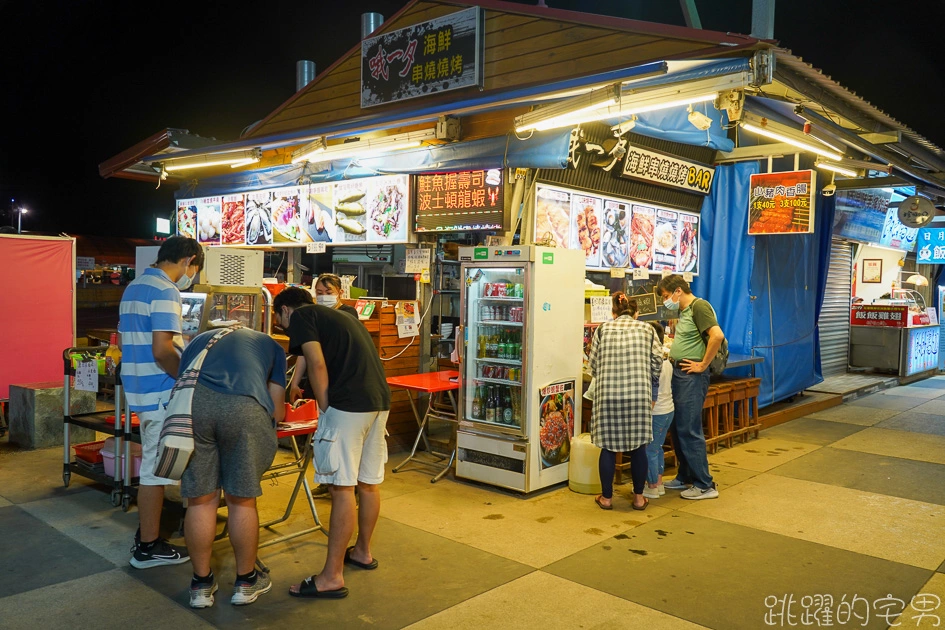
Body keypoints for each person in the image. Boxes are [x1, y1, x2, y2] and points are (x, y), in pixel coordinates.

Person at [273, 287, 391, 600]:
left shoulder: (302, 316)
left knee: (341, 489)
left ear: (285, 310)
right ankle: (363, 552)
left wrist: (324, 405)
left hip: (347, 406)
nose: (286, 328)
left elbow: (316, 363)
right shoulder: (337, 316)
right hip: (378, 402)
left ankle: (330, 576)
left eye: (280, 321)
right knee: (367, 484)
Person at [180, 326, 287, 608]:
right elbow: (279, 410)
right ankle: (245, 581)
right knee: (241, 499)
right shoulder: (270, 344)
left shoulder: (197, 341)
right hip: (243, 407)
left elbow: (182, 381)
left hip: (194, 407)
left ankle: (201, 586)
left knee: (200, 500)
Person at [118, 236, 203, 568]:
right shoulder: (167, 290)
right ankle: (149, 547)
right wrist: (186, 381)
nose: (192, 273)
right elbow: (163, 350)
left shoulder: (136, 285)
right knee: (155, 470)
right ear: (188, 260)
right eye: (194, 267)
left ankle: (147, 538)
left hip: (139, 387)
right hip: (159, 391)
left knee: (153, 464)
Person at [588, 292, 663, 511]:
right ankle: (639, 499)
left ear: (613, 311)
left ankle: (607, 498)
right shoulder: (648, 330)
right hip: (638, 395)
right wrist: (646, 377)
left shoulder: (602, 330)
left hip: (608, 396)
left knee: (608, 447)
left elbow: (592, 364)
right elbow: (658, 361)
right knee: (639, 447)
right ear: (636, 312)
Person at [657, 274, 725, 500]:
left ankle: (705, 484)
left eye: (667, 296)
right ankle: (685, 475)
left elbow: (717, 335)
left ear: (678, 290)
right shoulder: (684, 312)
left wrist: (703, 365)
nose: (666, 301)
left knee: (689, 428)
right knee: (677, 427)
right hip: (679, 373)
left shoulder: (699, 306)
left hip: (691, 377)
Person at [288, 273, 357, 403]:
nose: (324, 296)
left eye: (328, 292)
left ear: (340, 292)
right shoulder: (312, 315)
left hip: (339, 379)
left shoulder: (348, 313)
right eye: (319, 293)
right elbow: (305, 351)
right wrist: (294, 383)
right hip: (314, 380)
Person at [643, 321, 674, 500]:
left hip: (657, 412)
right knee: (657, 448)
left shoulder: (652, 365)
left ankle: (652, 486)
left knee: (649, 450)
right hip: (668, 410)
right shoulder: (666, 361)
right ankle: (659, 483)